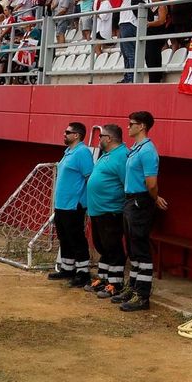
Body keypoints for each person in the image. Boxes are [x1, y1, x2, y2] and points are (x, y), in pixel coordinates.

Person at [117, 111, 166, 312]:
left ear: (142, 126)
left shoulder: (147, 151)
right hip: (131, 200)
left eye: (131, 124)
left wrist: (154, 198)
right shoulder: (137, 148)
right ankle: (134, 287)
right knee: (133, 247)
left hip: (140, 201)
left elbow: (151, 183)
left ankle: (142, 295)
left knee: (140, 248)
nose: (128, 127)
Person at [84, 123, 128, 299]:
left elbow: (128, 184)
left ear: (108, 139)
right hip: (97, 210)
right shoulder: (106, 155)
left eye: (101, 136)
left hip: (111, 210)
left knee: (113, 247)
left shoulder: (122, 156)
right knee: (102, 246)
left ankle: (116, 284)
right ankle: (103, 278)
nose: (99, 139)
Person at [49, 121, 95, 287]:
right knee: (64, 237)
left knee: (76, 238)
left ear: (76, 135)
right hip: (61, 204)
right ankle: (67, 268)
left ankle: (83, 272)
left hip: (74, 205)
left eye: (67, 132)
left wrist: (86, 201)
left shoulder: (82, 152)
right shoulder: (69, 152)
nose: (64, 134)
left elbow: (90, 177)